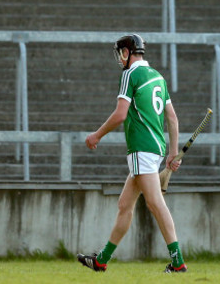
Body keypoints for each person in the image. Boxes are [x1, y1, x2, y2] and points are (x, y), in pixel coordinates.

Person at [77, 34, 187, 273]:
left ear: (127, 52)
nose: (119, 58)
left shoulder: (130, 75)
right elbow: (173, 119)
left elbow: (120, 114)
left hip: (141, 148)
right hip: (155, 148)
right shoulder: (158, 77)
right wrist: (172, 152)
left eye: (120, 53)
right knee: (124, 204)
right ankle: (101, 260)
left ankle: (178, 262)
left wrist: (96, 135)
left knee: (155, 203)